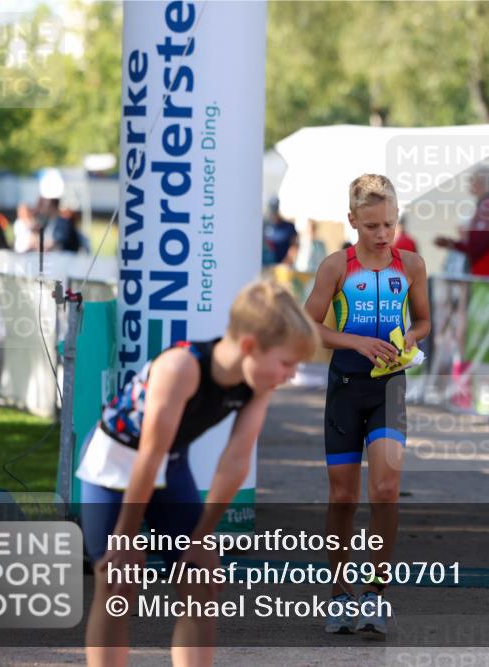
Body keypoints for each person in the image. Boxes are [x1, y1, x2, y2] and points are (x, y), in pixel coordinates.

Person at [76, 279, 319, 667]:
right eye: (288, 363)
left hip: (168, 465)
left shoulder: (259, 380)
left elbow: (235, 462)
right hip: (116, 462)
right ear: (250, 347)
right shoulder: (180, 368)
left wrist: (201, 539)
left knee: (202, 579)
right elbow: (147, 454)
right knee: (118, 581)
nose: (291, 375)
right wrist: (124, 538)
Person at [304, 174, 431, 636]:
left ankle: (377, 593)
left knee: (385, 491)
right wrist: (355, 342)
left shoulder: (412, 265)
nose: (382, 235)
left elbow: (423, 319)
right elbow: (309, 326)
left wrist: (410, 339)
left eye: (389, 224)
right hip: (345, 386)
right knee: (343, 496)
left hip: (389, 388)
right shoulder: (336, 266)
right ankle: (339, 594)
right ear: (353, 220)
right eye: (372, 225)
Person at [433, 166, 489, 277]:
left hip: (486, 270)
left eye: (472, 180)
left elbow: (478, 245)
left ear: (482, 182)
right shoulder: (485, 205)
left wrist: (453, 243)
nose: (470, 184)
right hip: (482, 269)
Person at [264, 197, 298, 265]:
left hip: (284, 267)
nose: (273, 214)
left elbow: (294, 246)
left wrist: (286, 262)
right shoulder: (264, 226)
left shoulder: (289, 227)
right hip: (266, 266)